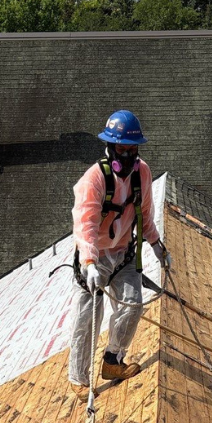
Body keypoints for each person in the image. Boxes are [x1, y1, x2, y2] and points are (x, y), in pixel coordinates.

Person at [69, 110, 170, 398]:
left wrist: (157, 246)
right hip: (95, 257)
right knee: (88, 318)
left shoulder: (142, 173)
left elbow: (145, 214)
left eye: (132, 149)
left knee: (133, 305)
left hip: (123, 253)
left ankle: (113, 360)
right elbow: (85, 222)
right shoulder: (94, 179)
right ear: (111, 148)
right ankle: (78, 379)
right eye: (123, 149)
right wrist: (88, 261)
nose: (127, 155)